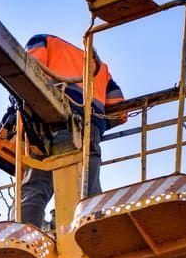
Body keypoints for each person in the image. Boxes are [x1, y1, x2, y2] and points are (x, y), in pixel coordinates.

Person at [13, 34, 126, 228]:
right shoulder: (100, 67)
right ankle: (90, 227)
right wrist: (98, 123)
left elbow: (28, 70)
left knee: (37, 184)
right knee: (87, 186)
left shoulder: (43, 40)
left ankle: (26, 232)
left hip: (50, 116)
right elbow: (120, 110)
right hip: (91, 125)